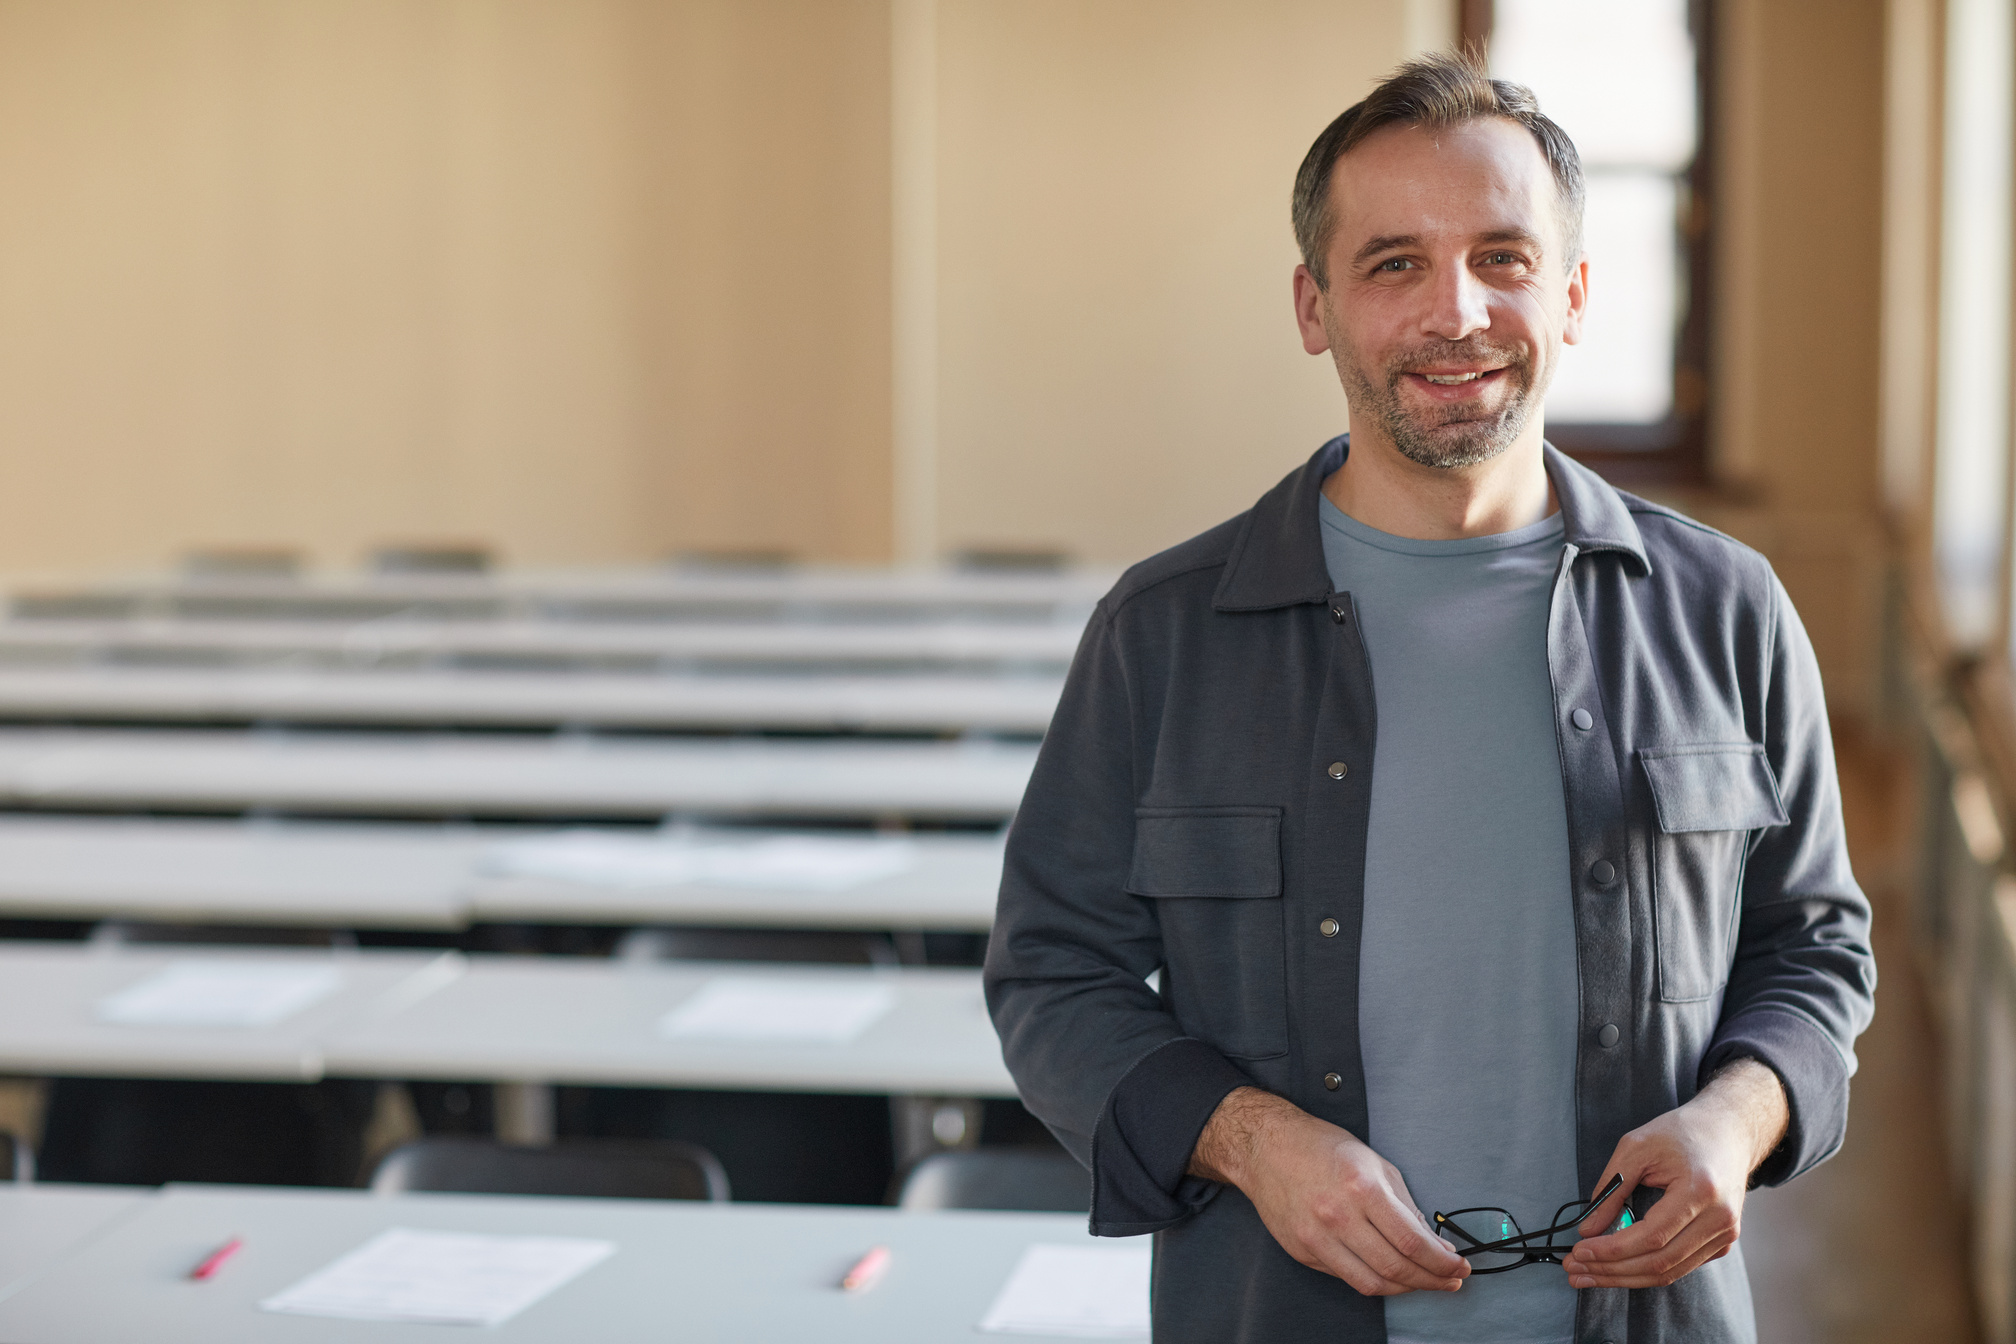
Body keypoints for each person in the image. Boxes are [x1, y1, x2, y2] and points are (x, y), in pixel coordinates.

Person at [983, 50, 1875, 1344]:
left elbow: (1817, 949)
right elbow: (1055, 976)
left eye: (1503, 258)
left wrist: (1734, 1121)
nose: (1456, 311)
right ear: (1314, 306)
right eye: (1394, 262)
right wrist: (1251, 1143)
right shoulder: (1162, 636)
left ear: (1570, 295)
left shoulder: (1726, 610)